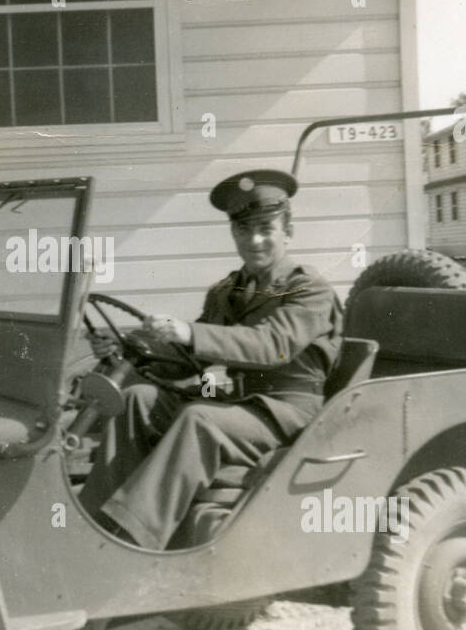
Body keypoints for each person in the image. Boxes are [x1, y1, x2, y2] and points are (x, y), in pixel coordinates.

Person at [78, 169, 343, 549]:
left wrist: (189, 332)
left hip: (287, 412)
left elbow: (271, 345)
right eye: (243, 230)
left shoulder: (308, 289)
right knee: (138, 401)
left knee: (198, 419)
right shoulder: (228, 290)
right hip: (236, 403)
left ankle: (135, 540)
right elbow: (192, 359)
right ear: (233, 233)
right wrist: (129, 345)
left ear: (288, 230)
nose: (254, 240)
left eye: (266, 228)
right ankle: (94, 524)